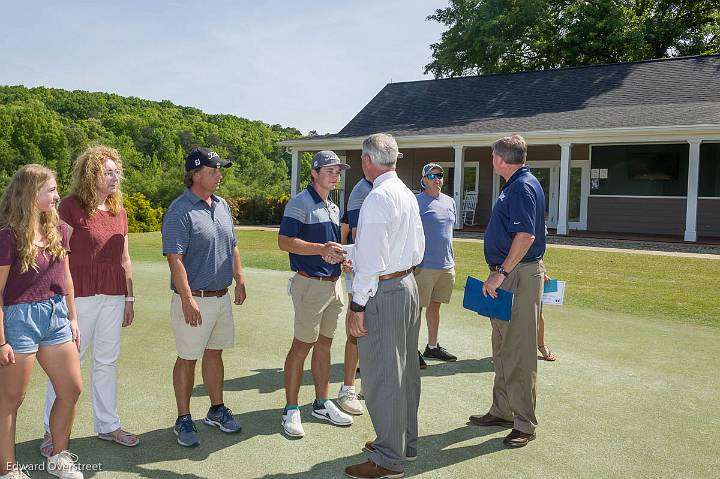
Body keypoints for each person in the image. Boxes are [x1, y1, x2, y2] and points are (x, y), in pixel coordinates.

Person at [42, 146, 138, 456]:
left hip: (113, 296)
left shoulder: (119, 211)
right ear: (91, 174)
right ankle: (50, 431)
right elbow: (57, 253)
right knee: (68, 366)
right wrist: (64, 302)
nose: (115, 177)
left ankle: (108, 425)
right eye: (108, 172)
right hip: (78, 297)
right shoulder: (69, 208)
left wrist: (129, 297)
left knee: (107, 362)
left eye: (116, 172)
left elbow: (124, 257)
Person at [345, 133, 425, 479]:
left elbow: (374, 261)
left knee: (381, 374)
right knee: (404, 370)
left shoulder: (378, 198)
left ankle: (389, 457)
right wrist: (349, 252)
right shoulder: (406, 193)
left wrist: (357, 305)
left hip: (385, 290)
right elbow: (410, 247)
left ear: (367, 160)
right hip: (406, 283)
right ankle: (403, 442)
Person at [0, 165, 84, 479]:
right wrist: (1, 340)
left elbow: (67, 277)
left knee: (71, 389)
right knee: (11, 400)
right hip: (17, 318)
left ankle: (60, 457)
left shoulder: (59, 229)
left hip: (56, 316)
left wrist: (72, 318)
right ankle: (8, 470)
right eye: (50, 190)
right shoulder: (7, 237)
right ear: (30, 194)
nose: (56, 195)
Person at [162, 147, 247, 448]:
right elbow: (175, 257)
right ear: (196, 175)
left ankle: (216, 409)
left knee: (215, 353)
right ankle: (183, 418)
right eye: (214, 170)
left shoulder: (222, 205)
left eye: (220, 170)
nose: (219, 175)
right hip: (194, 298)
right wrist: (186, 298)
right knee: (187, 358)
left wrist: (239, 278)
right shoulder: (179, 210)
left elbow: (233, 245)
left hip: (221, 297)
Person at [470, 134, 546, 448]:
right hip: (511, 274)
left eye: (492, 156)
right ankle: (502, 410)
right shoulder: (518, 185)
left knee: (519, 351)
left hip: (515, 277)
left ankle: (524, 423)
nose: (492, 161)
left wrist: (500, 273)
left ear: (501, 159)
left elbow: (527, 236)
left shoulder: (522, 186)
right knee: (501, 345)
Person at [278, 150, 353, 438]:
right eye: (330, 170)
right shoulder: (300, 202)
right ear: (314, 172)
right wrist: (321, 249)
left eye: (338, 171)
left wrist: (340, 257)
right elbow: (285, 242)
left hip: (334, 285)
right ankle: (291, 409)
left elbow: (330, 246)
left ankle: (321, 403)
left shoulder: (333, 206)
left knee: (325, 344)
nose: (336, 175)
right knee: (302, 346)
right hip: (309, 285)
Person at [415, 163, 458, 366]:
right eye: (432, 176)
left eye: (439, 175)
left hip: (446, 265)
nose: (437, 179)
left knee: (435, 306)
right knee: (417, 309)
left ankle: (432, 347)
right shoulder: (416, 202)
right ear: (423, 180)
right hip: (424, 266)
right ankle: (410, 349)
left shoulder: (450, 201)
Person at [336, 176, 372, 416]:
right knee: (357, 331)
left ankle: (369, 384)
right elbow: (357, 235)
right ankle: (348, 388)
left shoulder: (387, 188)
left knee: (372, 331)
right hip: (364, 274)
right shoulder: (362, 191)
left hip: (383, 274)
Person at [537, 273, 556, 361]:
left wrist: (543, 272)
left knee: (537, 311)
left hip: (531, 272)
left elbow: (539, 258)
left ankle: (541, 345)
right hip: (508, 274)